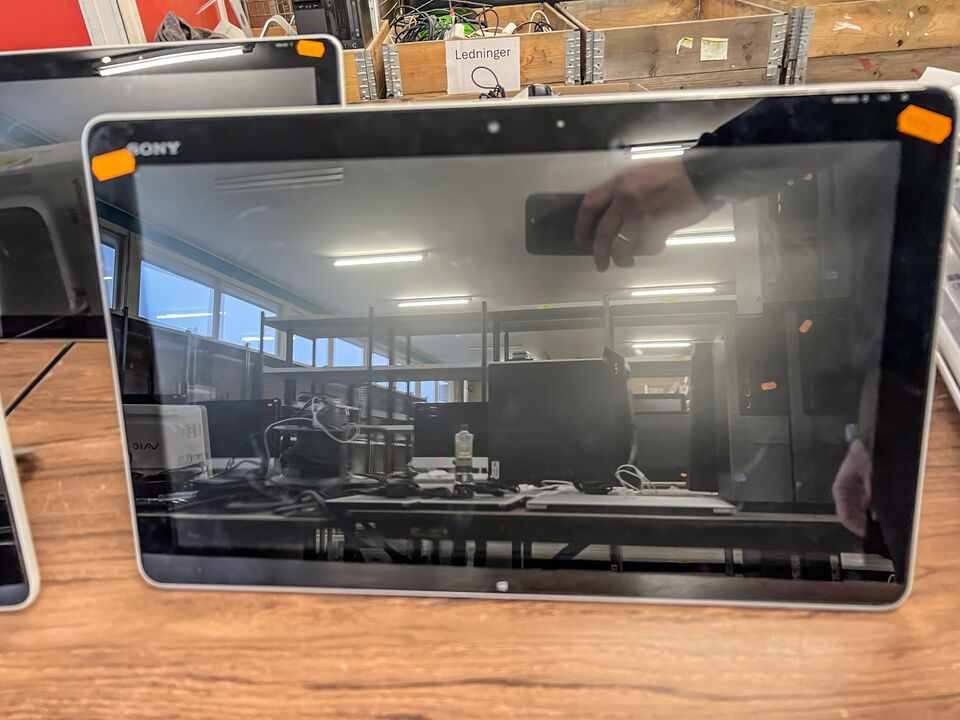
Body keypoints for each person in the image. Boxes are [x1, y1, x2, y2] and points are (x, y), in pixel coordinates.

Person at [575, 98, 911, 579]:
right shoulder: (884, 190)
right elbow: (884, 303)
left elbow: (881, 110)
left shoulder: (911, 129)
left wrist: (703, 174)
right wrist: (868, 436)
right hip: (898, 418)